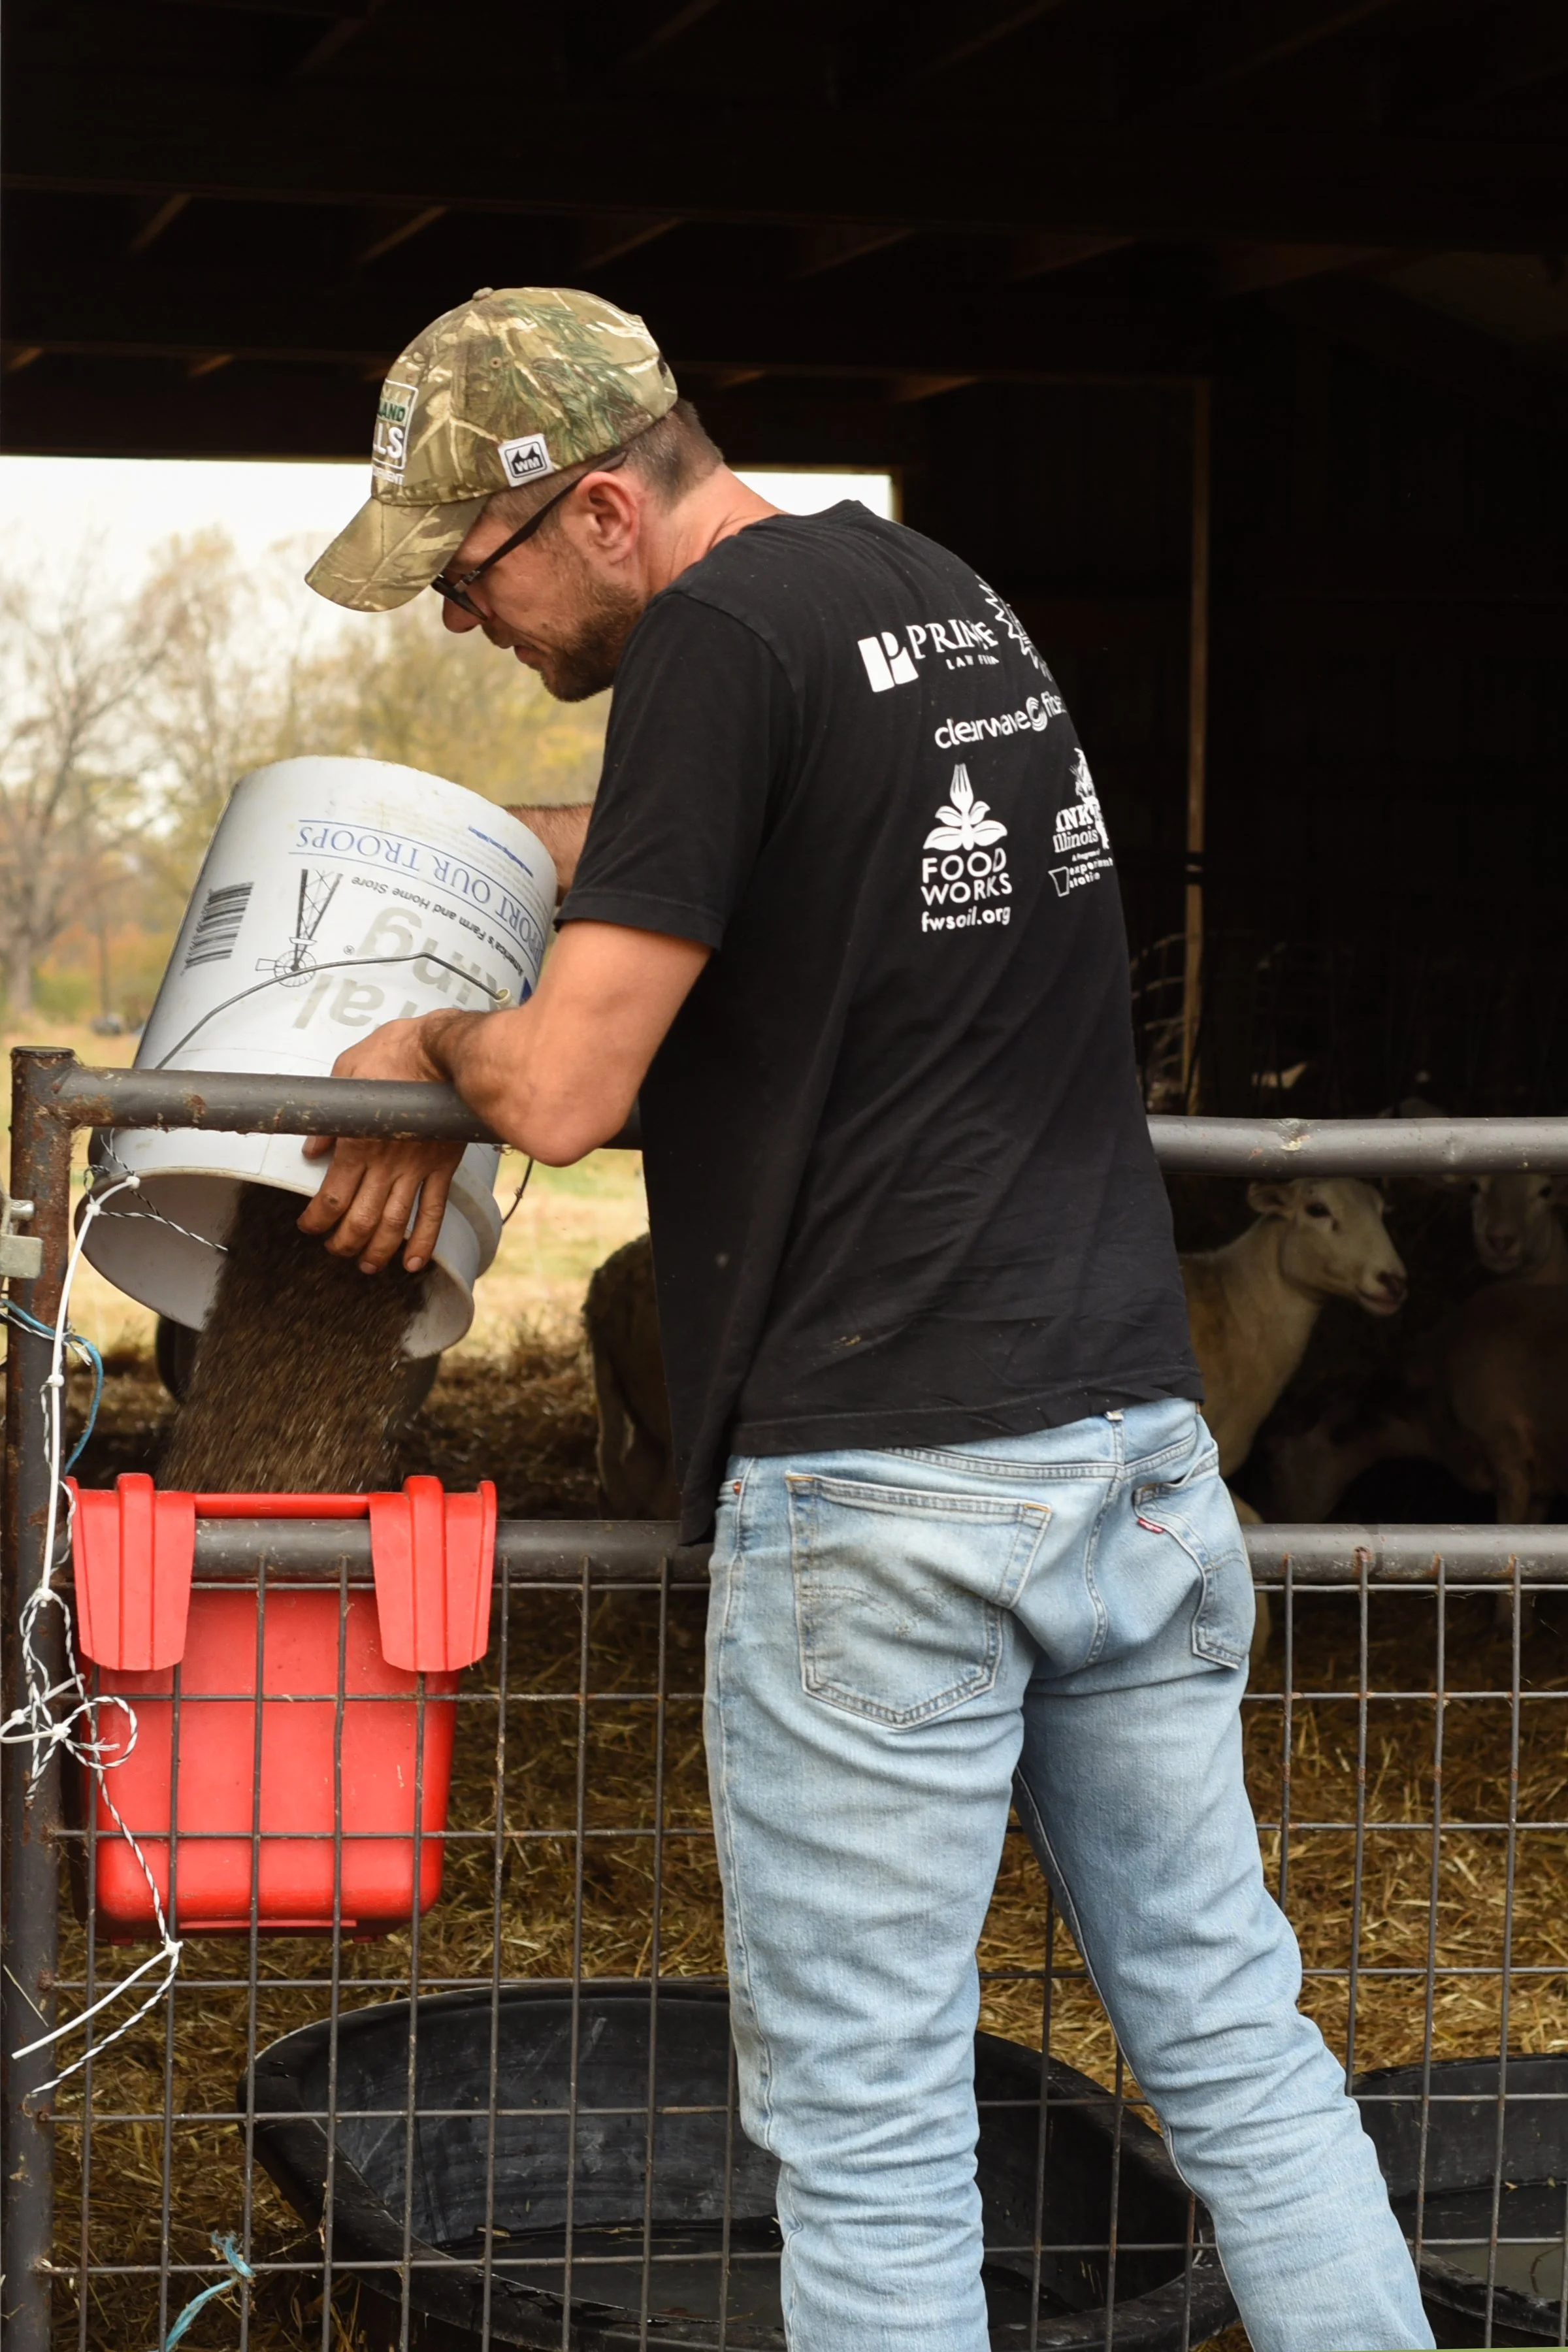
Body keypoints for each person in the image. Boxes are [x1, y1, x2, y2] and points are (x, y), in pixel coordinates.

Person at [303, 286, 1433, 2352]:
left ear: (595, 513)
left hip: (891, 1491)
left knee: (869, 2125)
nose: (471, 628)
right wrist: (439, 850)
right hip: (1131, 1456)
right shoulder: (926, 598)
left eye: (472, 578)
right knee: (1239, 2052)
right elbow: (702, 853)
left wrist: (414, 1031)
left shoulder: (712, 656)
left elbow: (566, 1091)